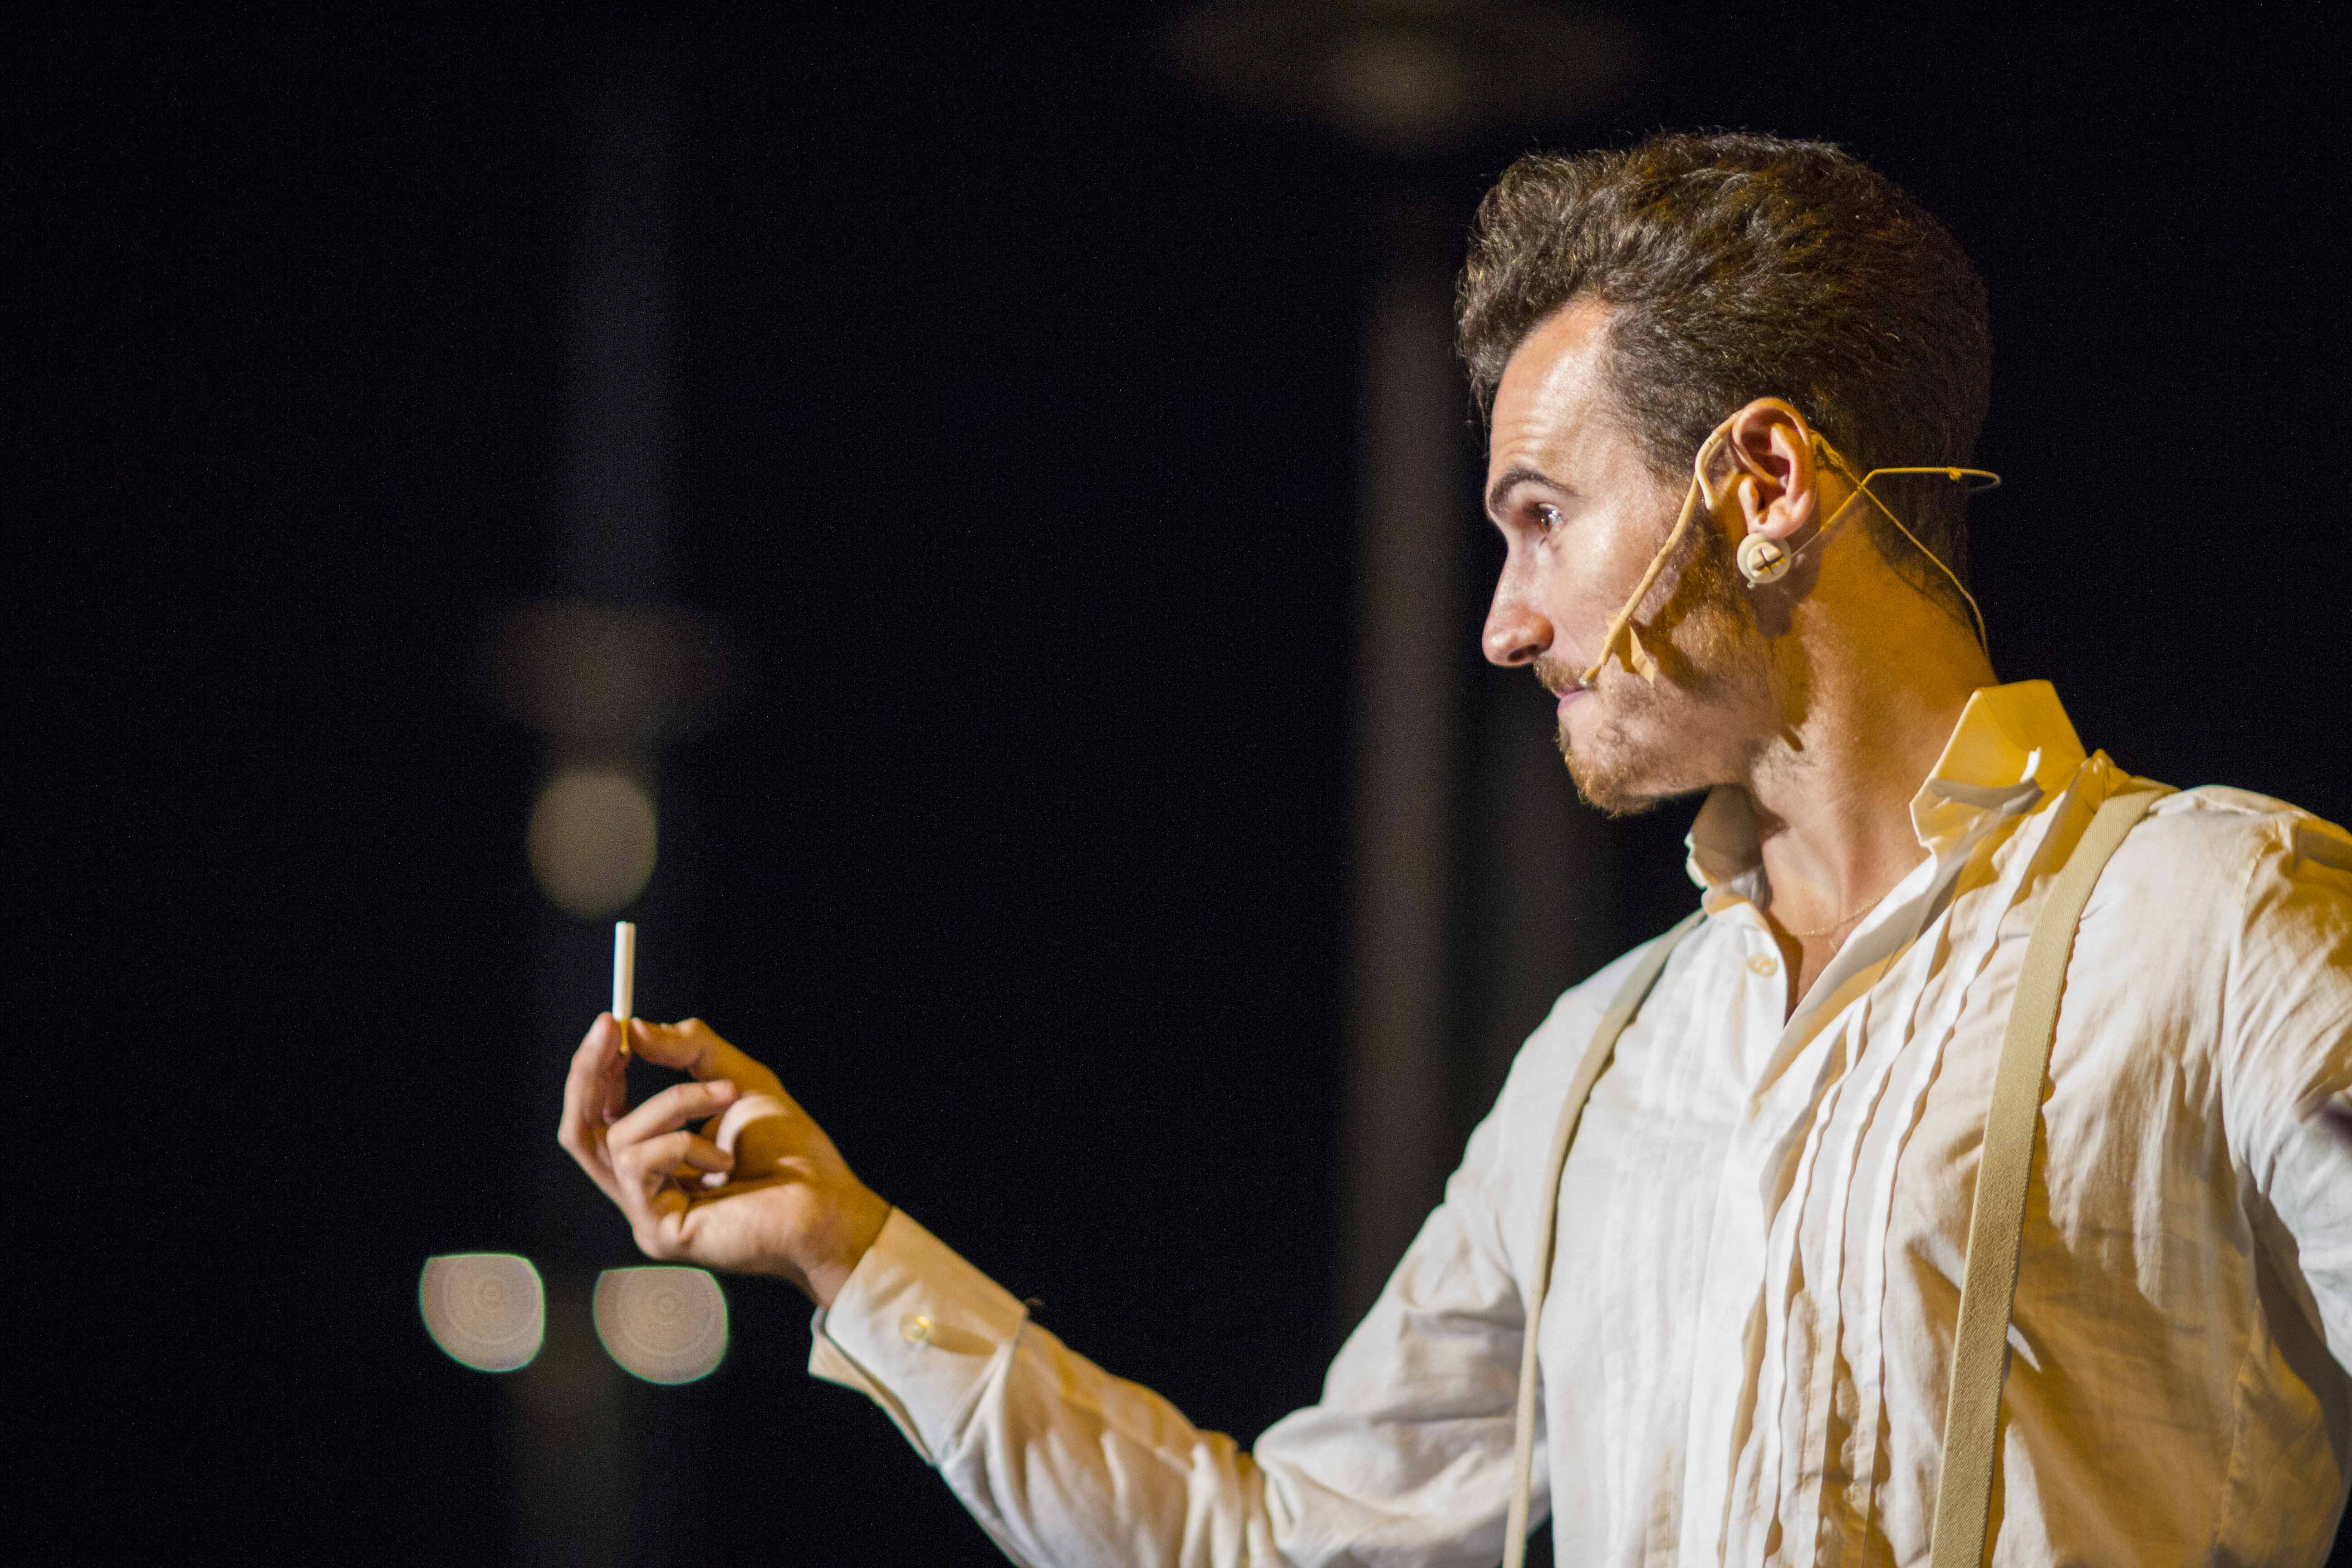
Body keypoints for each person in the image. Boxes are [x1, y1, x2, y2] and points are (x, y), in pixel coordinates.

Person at [556, 133, 2352, 1564]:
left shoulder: (2214, 925)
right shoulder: (1602, 1064)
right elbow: (1275, 1546)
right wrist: (851, 1253)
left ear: (1764, 484)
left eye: (1543, 518)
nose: (1506, 623)